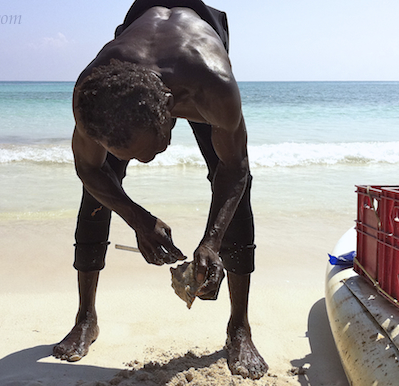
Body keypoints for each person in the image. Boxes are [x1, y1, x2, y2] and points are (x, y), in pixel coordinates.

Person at [53, 0, 268, 379]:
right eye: (134, 156)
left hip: (197, 49)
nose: (147, 161)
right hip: (137, 31)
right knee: (97, 192)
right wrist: (138, 219)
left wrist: (211, 243)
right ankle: (86, 317)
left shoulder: (213, 86)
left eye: (153, 149)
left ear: (170, 110)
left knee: (234, 186)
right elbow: (87, 167)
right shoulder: (92, 93)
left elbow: (237, 170)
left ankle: (239, 327)